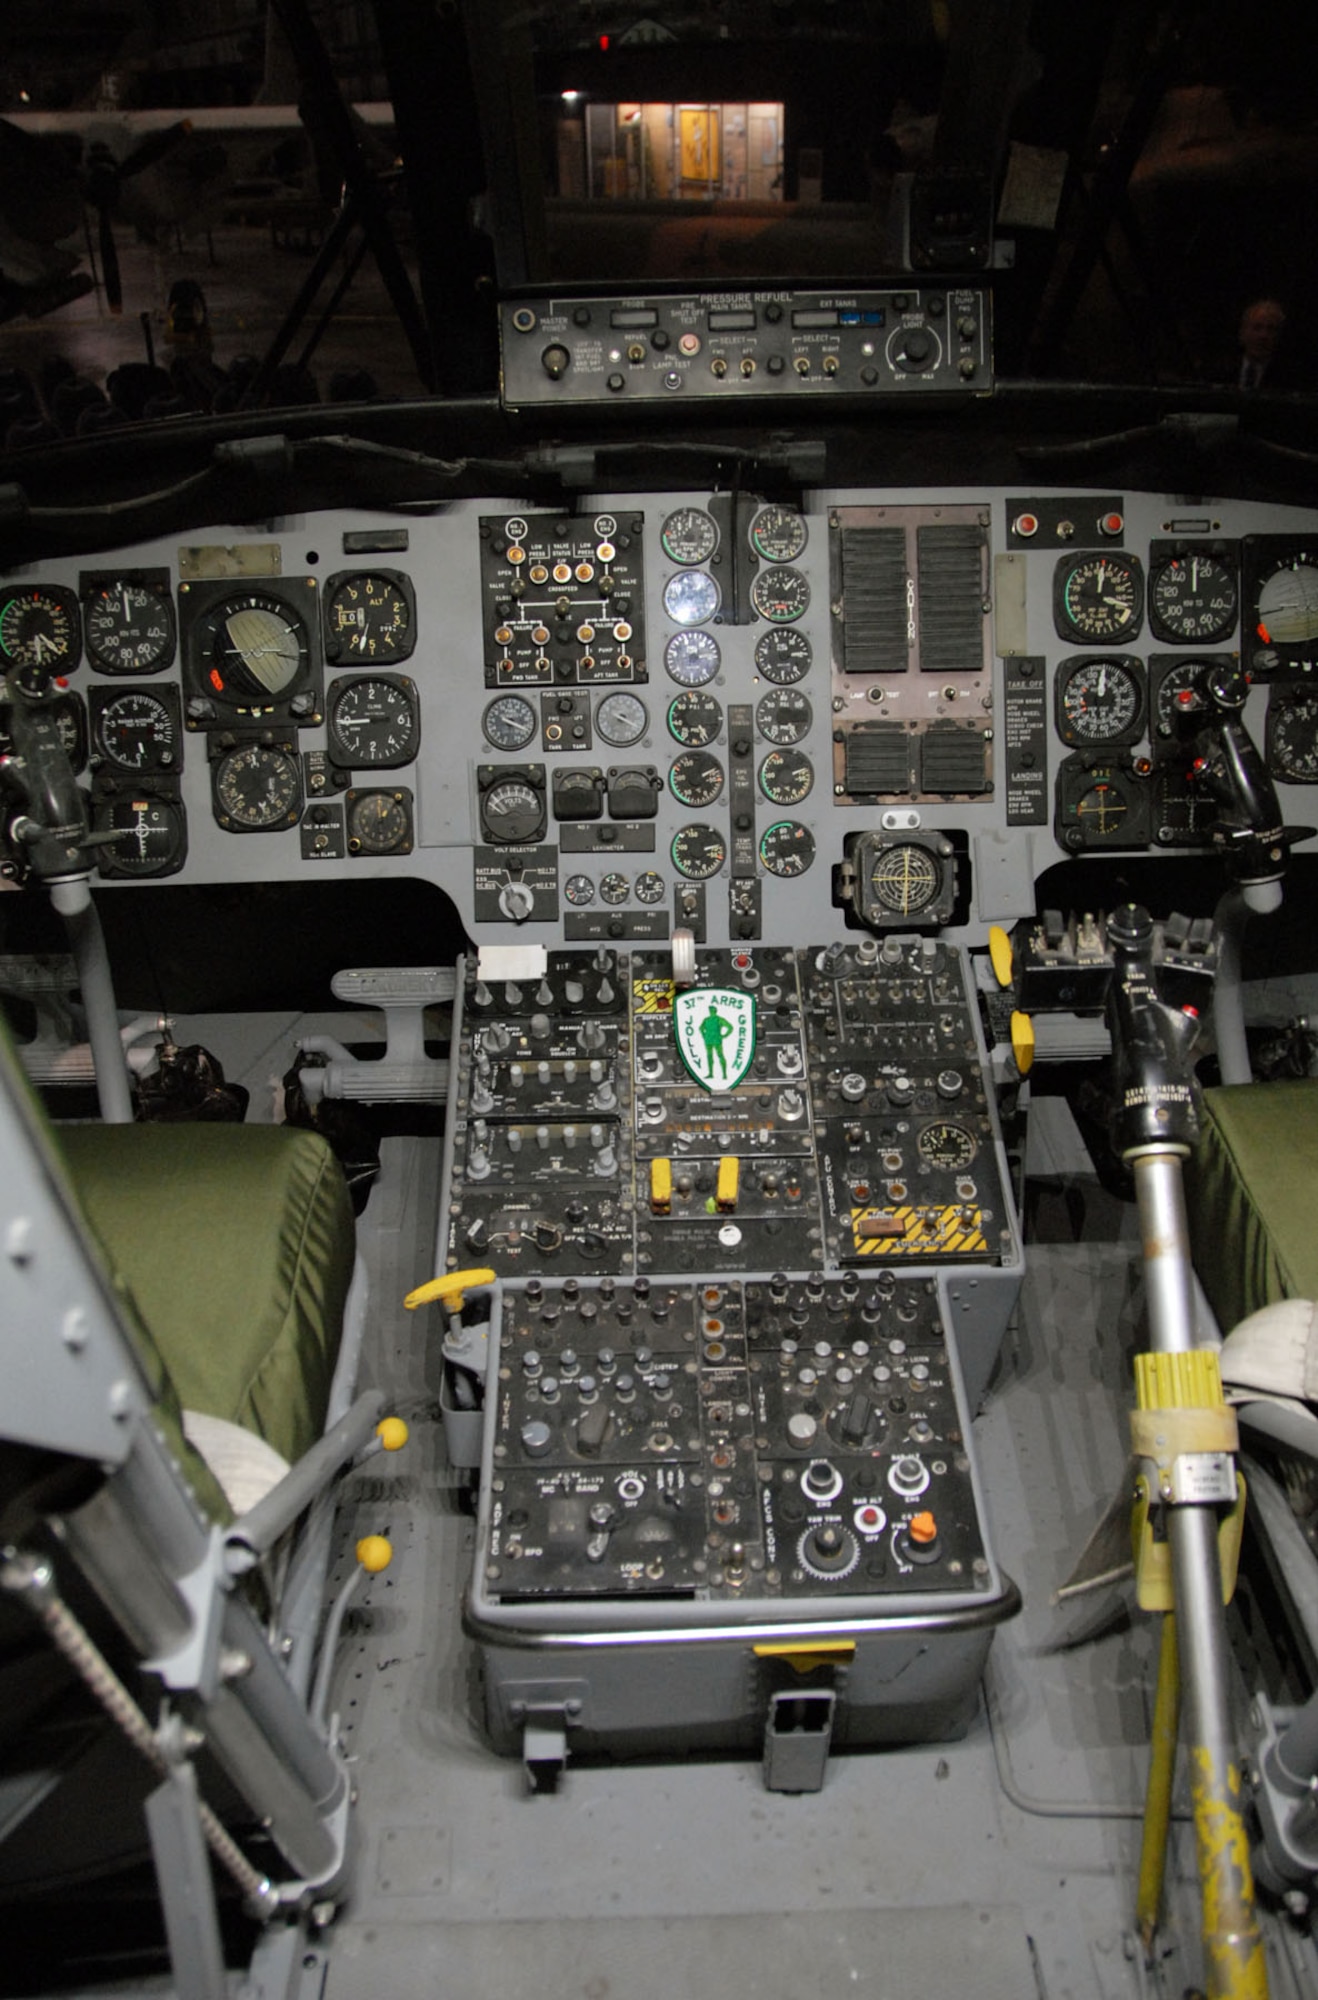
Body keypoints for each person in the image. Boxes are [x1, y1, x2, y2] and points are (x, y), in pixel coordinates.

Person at [1234, 297, 1308, 391]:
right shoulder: (1220, 370)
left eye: (1271, 329)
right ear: (1242, 333)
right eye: (1257, 328)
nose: (1263, 336)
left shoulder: (1291, 377)